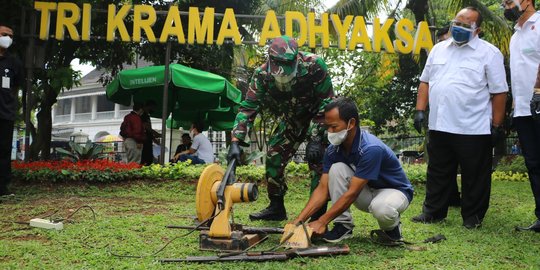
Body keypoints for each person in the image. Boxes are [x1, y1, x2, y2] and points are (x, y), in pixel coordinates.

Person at [412, 7, 508, 229]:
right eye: (457, 23)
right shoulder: (438, 49)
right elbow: (425, 82)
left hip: (473, 127)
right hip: (440, 123)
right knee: (438, 171)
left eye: (466, 25)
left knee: (475, 175)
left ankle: (472, 217)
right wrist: (420, 110)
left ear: (478, 29)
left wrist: (496, 124)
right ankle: (433, 212)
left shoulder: (490, 53)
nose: (459, 28)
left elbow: (499, 92)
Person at [227, 35, 334, 221]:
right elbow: (249, 108)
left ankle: (317, 213)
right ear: (270, 60)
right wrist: (236, 142)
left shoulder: (314, 65)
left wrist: (317, 137)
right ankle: (276, 207)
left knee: (318, 160)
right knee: (274, 155)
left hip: (319, 116)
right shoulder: (262, 75)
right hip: (293, 118)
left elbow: (328, 101)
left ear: (296, 59)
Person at [288, 98, 413, 243]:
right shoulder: (332, 150)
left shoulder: (370, 148)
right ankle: (343, 226)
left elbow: (352, 193)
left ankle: (392, 230)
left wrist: (322, 221)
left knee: (382, 208)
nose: (329, 132)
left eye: (334, 127)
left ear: (351, 123)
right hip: (367, 190)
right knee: (337, 168)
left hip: (394, 192)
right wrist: (298, 221)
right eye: (327, 127)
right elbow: (322, 189)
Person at [503, 0, 540, 232]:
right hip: (524, 111)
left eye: (509, 1)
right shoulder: (515, 35)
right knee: (534, 164)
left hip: (539, 102)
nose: (505, 5)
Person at [0, 22, 23, 196]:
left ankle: (2, 188)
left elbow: (16, 86)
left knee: (4, 152)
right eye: (3, 34)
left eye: (10, 36)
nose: (7, 38)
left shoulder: (14, 62)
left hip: (5, 113)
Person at [140, 100, 160, 166]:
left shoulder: (146, 115)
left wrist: (154, 138)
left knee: (148, 158)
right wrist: (156, 133)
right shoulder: (143, 115)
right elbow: (146, 127)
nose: (154, 110)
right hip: (145, 140)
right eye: (153, 108)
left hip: (147, 139)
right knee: (146, 158)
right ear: (150, 106)